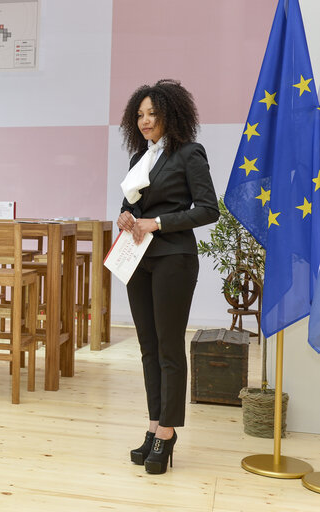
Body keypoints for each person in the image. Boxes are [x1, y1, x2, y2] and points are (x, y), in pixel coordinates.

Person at [116, 79, 219, 474]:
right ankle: (153, 425)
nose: (145, 121)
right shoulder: (137, 161)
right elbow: (130, 207)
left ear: (170, 115)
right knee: (147, 347)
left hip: (174, 258)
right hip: (138, 261)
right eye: (140, 115)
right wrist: (126, 216)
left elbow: (208, 209)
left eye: (153, 113)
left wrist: (156, 222)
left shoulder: (190, 154)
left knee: (169, 347)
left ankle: (168, 432)